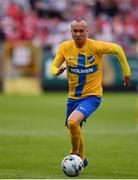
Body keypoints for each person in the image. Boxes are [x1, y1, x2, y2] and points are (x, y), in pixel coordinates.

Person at [51, 18, 131, 167]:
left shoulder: (95, 47)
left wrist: (126, 73)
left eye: (81, 31)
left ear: (87, 32)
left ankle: (74, 155)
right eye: (75, 31)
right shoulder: (65, 47)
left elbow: (118, 49)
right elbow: (54, 66)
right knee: (73, 127)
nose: (78, 34)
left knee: (73, 122)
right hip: (73, 97)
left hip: (92, 96)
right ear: (71, 32)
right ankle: (83, 157)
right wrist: (56, 71)